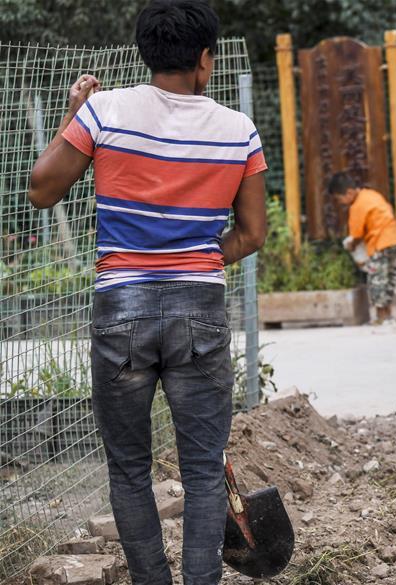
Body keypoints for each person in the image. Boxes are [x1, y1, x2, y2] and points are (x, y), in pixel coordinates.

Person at [27, 1, 267, 583]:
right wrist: (206, 256)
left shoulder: (104, 111)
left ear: (144, 51)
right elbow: (254, 232)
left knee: (129, 468)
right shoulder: (238, 130)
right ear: (206, 60)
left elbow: (41, 190)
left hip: (122, 313)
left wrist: (73, 115)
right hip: (200, 314)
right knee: (204, 470)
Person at [328, 173, 396, 326]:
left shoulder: (356, 206)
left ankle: (380, 318)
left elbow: (356, 235)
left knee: (377, 281)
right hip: (394, 241)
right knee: (388, 280)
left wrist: (351, 245)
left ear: (349, 193)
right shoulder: (372, 194)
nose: (341, 203)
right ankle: (388, 316)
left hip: (379, 244)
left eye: (339, 199)